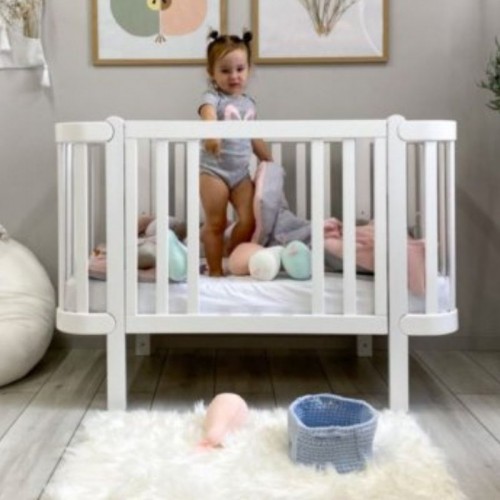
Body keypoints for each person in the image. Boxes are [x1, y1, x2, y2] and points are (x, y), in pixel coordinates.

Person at [199, 30, 272, 276]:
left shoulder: (249, 103)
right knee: (216, 223)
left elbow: (254, 136)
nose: (234, 76)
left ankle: (230, 254)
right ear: (212, 72)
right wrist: (212, 133)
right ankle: (215, 271)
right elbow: (208, 112)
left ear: (248, 69)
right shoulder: (213, 97)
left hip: (240, 174)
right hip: (214, 172)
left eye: (240, 69)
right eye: (225, 70)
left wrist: (267, 159)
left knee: (250, 220)